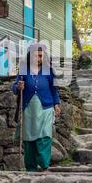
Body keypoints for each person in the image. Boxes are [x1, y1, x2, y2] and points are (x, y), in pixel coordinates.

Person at [12, 43, 61, 172]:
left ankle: (44, 165)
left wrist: (56, 104)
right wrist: (18, 86)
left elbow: (53, 89)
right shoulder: (24, 70)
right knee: (28, 139)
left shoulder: (48, 70)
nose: (38, 58)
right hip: (29, 108)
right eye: (35, 56)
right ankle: (31, 167)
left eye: (40, 56)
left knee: (45, 136)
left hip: (45, 107)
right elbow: (14, 87)